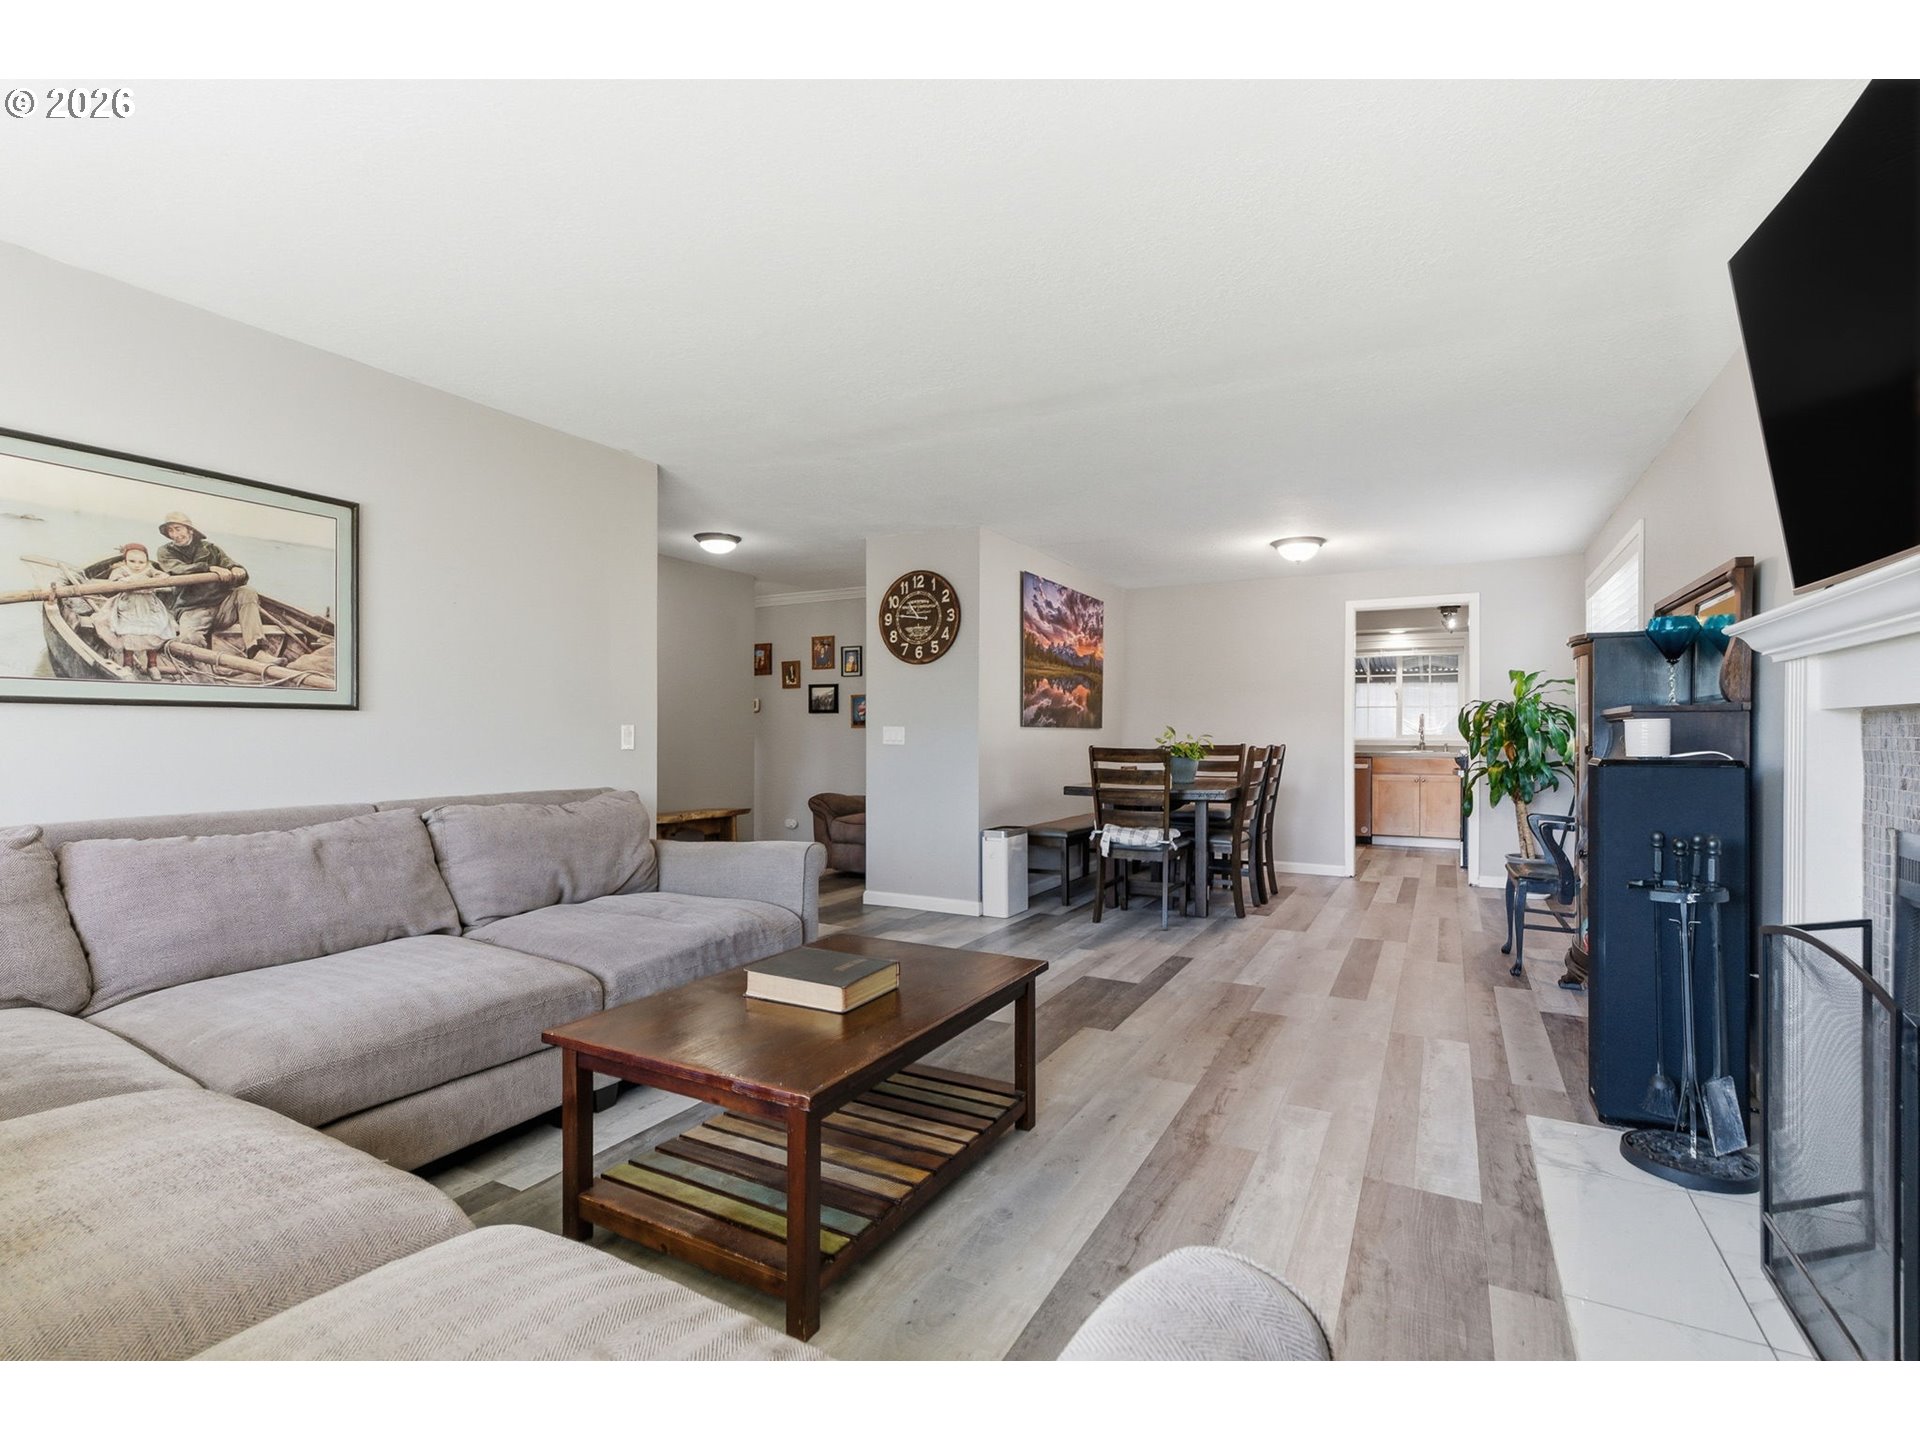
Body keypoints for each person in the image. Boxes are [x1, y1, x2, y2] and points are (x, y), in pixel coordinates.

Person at [153, 511, 269, 656]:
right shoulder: (165, 551)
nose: (175, 534)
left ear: (190, 530)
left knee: (247, 591)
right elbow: (178, 569)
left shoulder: (211, 548)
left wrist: (236, 569)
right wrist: (208, 568)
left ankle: (256, 650)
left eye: (178, 529)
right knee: (189, 639)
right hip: (192, 608)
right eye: (170, 530)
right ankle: (201, 666)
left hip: (222, 607)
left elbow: (230, 564)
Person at [90, 542, 177, 675]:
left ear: (146, 561)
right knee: (128, 634)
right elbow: (115, 582)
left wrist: (157, 579)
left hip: (148, 606)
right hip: (128, 605)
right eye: (132, 561)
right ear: (125, 561)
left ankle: (152, 666)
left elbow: (163, 577)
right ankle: (128, 664)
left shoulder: (150, 569)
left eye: (141, 562)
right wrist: (127, 581)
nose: (137, 565)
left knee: (153, 632)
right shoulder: (121, 571)